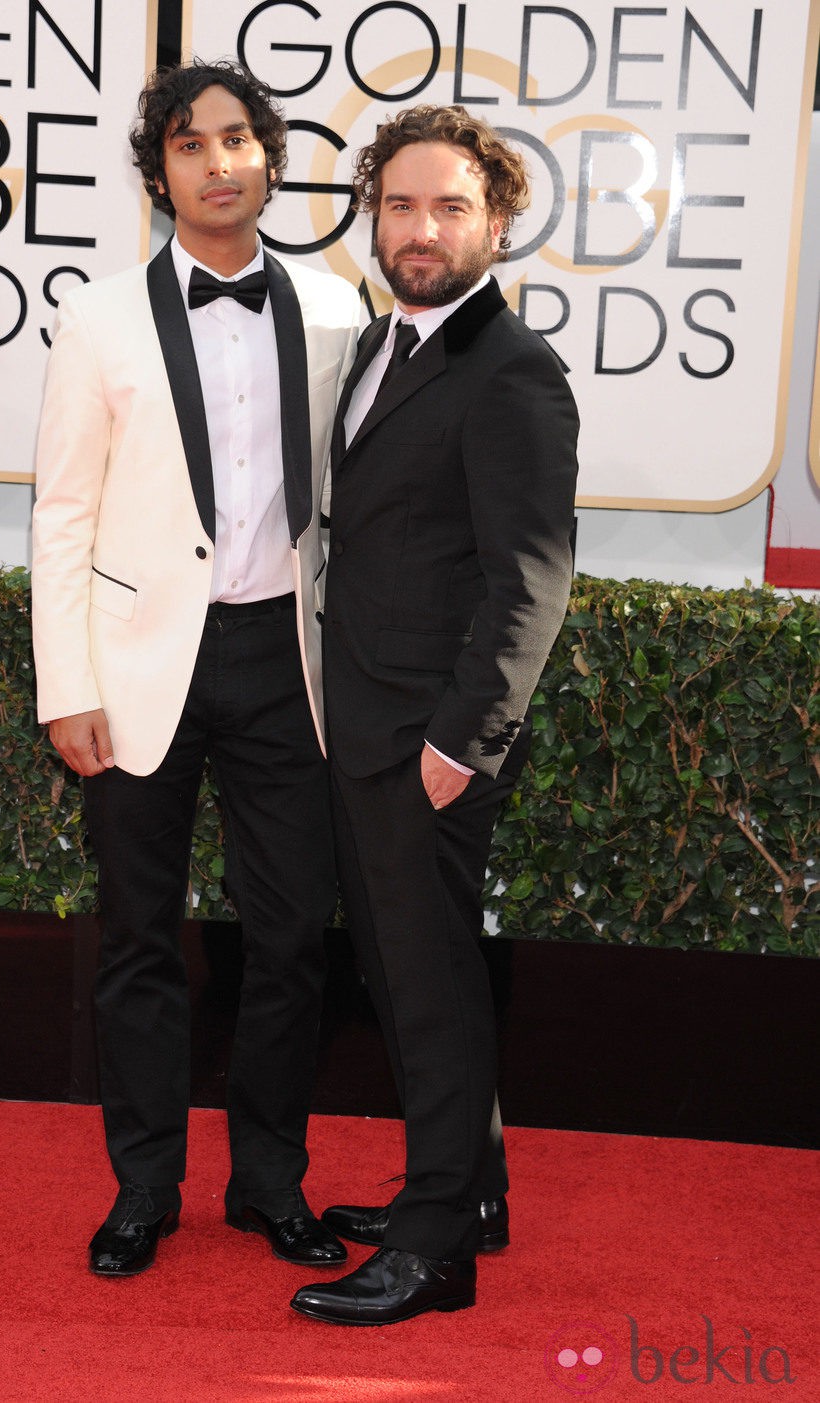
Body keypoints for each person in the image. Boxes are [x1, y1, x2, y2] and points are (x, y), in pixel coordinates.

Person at [32, 59, 361, 1278]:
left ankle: (270, 1183)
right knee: (137, 941)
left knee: (289, 940)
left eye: (238, 138)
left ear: (269, 160)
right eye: (189, 144)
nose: (217, 161)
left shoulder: (335, 310)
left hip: (290, 658)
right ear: (157, 170)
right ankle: (144, 1188)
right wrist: (66, 681)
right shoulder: (101, 315)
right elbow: (62, 510)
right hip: (133, 666)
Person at [290, 104, 579, 1326]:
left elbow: (529, 575)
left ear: (496, 222)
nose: (420, 229)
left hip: (428, 743)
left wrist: (463, 742)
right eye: (400, 205)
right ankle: (470, 1193)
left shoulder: (512, 373)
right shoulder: (377, 345)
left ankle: (433, 1249)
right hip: (359, 722)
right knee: (418, 971)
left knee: (424, 983)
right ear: (373, 215)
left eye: (449, 206)